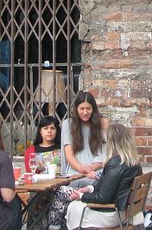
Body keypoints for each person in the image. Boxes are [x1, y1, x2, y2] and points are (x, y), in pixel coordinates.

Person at [65, 123, 144, 229]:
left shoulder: (116, 164)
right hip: (124, 213)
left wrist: (80, 196)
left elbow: (103, 198)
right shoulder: (133, 163)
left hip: (111, 215)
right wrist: (89, 188)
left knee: (70, 204)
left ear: (111, 143)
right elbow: (112, 188)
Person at [48, 91, 105, 230]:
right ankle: (54, 225)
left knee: (95, 182)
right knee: (60, 190)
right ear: (76, 109)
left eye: (88, 109)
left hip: (94, 174)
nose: (85, 112)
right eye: (82, 109)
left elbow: (102, 157)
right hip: (75, 174)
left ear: (93, 109)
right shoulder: (68, 124)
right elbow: (69, 156)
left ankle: (55, 225)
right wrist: (83, 170)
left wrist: (91, 168)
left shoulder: (99, 125)